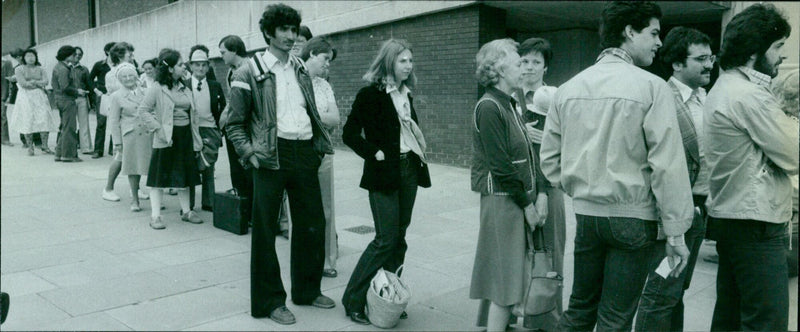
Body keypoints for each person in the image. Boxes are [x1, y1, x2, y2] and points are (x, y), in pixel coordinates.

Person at [539, 2, 693, 331]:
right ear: (629, 32)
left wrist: (580, 188)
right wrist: (677, 233)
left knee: (580, 308)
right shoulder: (652, 87)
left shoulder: (568, 88)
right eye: (653, 32)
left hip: (588, 216)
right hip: (633, 217)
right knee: (615, 318)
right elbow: (668, 166)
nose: (659, 42)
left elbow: (550, 160)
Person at [224, 3, 335, 325]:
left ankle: (306, 290)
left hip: (303, 152)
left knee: (313, 223)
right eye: (284, 30)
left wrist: (315, 147)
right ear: (269, 32)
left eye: (293, 30)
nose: (290, 36)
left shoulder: (300, 67)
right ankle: (270, 301)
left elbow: (309, 111)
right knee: (265, 231)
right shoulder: (250, 69)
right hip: (270, 155)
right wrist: (250, 153)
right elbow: (232, 123)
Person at [704, 4, 797, 331]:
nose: (781, 56)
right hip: (756, 224)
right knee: (766, 322)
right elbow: (795, 154)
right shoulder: (749, 96)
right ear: (754, 50)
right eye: (777, 47)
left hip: (734, 220)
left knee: (730, 317)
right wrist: (792, 117)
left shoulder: (726, 87)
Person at [341, 38, 431, 325]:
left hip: (409, 172)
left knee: (399, 238)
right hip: (383, 173)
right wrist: (374, 153)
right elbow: (349, 134)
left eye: (411, 61)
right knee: (385, 239)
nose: (409, 65)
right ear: (389, 61)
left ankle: (389, 296)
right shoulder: (371, 95)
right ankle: (353, 299)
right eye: (403, 60)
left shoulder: (406, 95)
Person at [634, 26, 715, 332]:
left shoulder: (705, 98)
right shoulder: (661, 97)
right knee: (659, 292)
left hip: (697, 211)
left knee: (675, 291)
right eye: (701, 58)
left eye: (711, 57)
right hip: (672, 215)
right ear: (677, 64)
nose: (709, 64)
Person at [469, 38, 546, 332]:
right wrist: (527, 204)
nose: (523, 70)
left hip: (512, 199)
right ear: (500, 69)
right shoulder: (490, 107)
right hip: (504, 201)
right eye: (517, 64)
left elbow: (526, 153)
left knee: (510, 275)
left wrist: (538, 193)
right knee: (505, 279)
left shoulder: (508, 103)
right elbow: (500, 165)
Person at [511, 37, 566, 330]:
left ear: (546, 67)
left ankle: (546, 317)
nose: (529, 67)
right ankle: (508, 311)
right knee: (512, 251)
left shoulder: (555, 96)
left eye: (536, 62)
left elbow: (572, 141)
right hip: (517, 185)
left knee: (551, 252)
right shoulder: (508, 95)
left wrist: (545, 139)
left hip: (548, 184)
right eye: (525, 61)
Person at [138, 48, 204, 229]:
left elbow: (193, 114)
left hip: (185, 137)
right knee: (158, 178)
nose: (184, 67)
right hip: (166, 137)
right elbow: (143, 111)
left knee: (184, 175)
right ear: (170, 69)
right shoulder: (157, 88)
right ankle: (155, 216)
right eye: (181, 64)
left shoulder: (185, 86)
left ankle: (187, 211)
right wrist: (158, 129)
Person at [300, 36, 341, 278]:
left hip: (323, 152)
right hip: (300, 151)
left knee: (327, 208)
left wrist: (313, 113)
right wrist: (320, 114)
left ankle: (328, 259)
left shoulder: (325, 86)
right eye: (326, 59)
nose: (328, 65)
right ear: (313, 53)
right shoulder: (296, 80)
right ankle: (305, 259)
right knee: (302, 207)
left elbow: (335, 119)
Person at [276, 24, 314, 239]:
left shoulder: (307, 68)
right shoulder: (285, 68)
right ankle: (284, 222)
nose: (297, 43)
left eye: (302, 40)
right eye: (295, 39)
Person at [218, 34, 253, 225]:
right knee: (237, 172)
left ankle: (251, 212)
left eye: (223, 52)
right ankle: (244, 212)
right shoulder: (230, 72)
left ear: (234, 50)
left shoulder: (250, 68)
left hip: (246, 129)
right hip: (233, 128)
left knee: (247, 172)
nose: (221, 56)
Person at [108, 63, 153, 212]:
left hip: (148, 134)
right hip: (131, 136)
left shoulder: (147, 92)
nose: (128, 79)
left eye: (131, 75)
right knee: (133, 168)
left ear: (136, 76)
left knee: (152, 167)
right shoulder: (116, 96)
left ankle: (155, 199)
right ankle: (135, 199)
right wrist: (117, 142)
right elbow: (113, 121)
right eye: (124, 77)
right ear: (119, 79)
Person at [186, 45, 226, 213]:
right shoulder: (184, 85)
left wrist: (219, 130)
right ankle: (188, 204)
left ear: (208, 66)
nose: (200, 68)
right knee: (190, 167)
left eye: (203, 65)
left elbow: (223, 107)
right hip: (190, 130)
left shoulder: (215, 85)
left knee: (209, 166)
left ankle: (209, 202)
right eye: (197, 64)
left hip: (210, 129)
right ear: (190, 66)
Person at [102, 42, 138, 202]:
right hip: (123, 118)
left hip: (134, 118)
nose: (132, 57)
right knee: (121, 155)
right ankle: (108, 188)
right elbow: (117, 95)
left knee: (134, 156)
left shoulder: (129, 69)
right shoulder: (113, 73)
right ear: (120, 55)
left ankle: (134, 189)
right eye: (129, 54)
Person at [9, 49, 57, 156]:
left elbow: (46, 81)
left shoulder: (41, 69)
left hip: (40, 97)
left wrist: (34, 82)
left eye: (33, 56)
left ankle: (45, 145)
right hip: (25, 97)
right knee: (28, 119)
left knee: (44, 118)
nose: (31, 58)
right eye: (28, 56)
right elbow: (23, 84)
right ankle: (30, 147)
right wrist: (37, 84)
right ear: (24, 58)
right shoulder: (19, 69)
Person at [52, 46, 89, 162]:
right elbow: (65, 87)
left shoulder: (59, 67)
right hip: (67, 100)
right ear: (67, 56)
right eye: (73, 55)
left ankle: (59, 153)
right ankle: (68, 155)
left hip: (61, 99)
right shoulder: (63, 69)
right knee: (70, 128)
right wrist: (78, 91)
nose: (75, 57)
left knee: (65, 127)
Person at [90, 42, 116, 159]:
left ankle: (113, 148)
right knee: (101, 123)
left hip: (116, 95)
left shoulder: (121, 65)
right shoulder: (99, 65)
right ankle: (98, 150)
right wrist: (96, 91)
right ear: (107, 52)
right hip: (103, 95)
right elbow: (89, 79)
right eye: (112, 50)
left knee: (116, 122)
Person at [72, 47, 94, 155]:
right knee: (68, 123)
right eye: (75, 54)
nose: (77, 56)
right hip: (70, 98)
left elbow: (89, 85)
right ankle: (68, 146)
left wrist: (91, 101)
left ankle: (86, 147)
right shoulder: (66, 68)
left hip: (82, 98)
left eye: (80, 54)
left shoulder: (84, 69)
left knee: (84, 123)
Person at [1, 53, 16, 146]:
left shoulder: (6, 63)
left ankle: (4, 138)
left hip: (3, 94)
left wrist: (9, 96)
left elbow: (11, 80)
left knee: (2, 116)